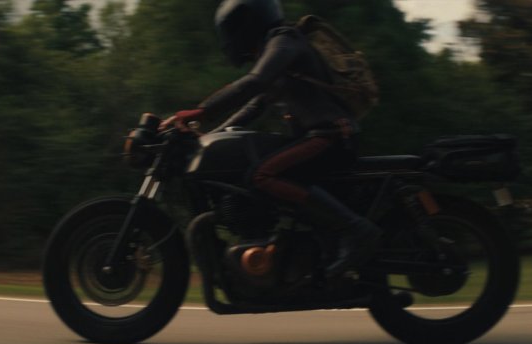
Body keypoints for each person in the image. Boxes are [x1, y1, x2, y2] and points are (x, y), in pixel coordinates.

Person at [159, 0, 381, 279]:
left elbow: (254, 82)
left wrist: (202, 111)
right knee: (257, 171)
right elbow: (255, 105)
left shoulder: (285, 40)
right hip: (320, 137)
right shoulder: (278, 49)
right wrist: (210, 138)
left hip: (331, 136)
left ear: (246, 25)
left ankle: (355, 229)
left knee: (261, 175)